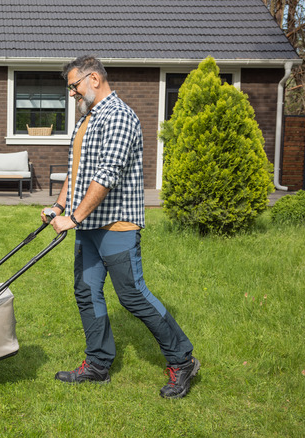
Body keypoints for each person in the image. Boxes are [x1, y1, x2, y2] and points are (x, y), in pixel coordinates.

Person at [42, 55, 199, 399]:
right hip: (88, 225)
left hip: (116, 226)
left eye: (74, 86)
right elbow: (77, 170)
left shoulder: (120, 116)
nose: (72, 94)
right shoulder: (87, 120)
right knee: (86, 292)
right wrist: (58, 206)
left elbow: (107, 174)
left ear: (94, 79)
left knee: (132, 295)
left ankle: (182, 359)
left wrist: (75, 217)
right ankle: (98, 364)